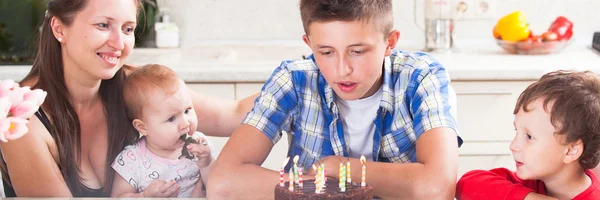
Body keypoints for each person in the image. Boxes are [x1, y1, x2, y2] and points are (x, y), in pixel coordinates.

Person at [208, 0, 463, 199]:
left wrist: (333, 169)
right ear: (309, 44)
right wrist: (321, 185)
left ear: (390, 42)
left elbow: (437, 188)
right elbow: (224, 184)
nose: (342, 69)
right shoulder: (295, 80)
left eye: (358, 51)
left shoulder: (421, 78)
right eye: (326, 52)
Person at [0, 0, 255, 197]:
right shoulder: (22, 117)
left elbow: (232, 114)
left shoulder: (133, 86)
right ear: (59, 29)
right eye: (103, 25)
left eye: (128, 29)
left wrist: (293, 80)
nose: (119, 43)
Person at [455, 70, 600, 200]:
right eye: (516, 132)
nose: (513, 146)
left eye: (529, 137)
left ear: (571, 150)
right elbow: (465, 185)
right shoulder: (529, 183)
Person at [110, 64, 215, 197]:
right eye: (171, 119)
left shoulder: (201, 146)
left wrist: (207, 163)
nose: (185, 123)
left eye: (187, 110)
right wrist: (144, 196)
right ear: (143, 127)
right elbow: (118, 197)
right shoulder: (131, 160)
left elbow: (219, 187)